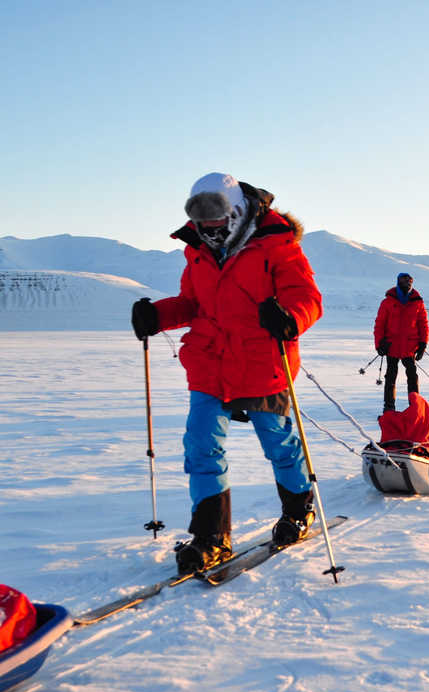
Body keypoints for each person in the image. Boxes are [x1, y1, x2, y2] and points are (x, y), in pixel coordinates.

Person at [130, 172, 323, 575]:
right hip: (211, 364)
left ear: (236, 213)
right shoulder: (197, 250)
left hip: (263, 362)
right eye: (204, 225)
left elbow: (307, 298)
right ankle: (211, 537)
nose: (211, 232)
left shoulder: (277, 246)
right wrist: (157, 316)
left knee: (280, 445)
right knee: (201, 448)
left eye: (217, 223)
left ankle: (299, 511)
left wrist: (290, 318)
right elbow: (192, 303)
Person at [373, 272, 429, 412]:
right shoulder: (388, 302)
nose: (407, 284)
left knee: (412, 376)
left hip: (410, 347)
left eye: (409, 282)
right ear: (398, 282)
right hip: (391, 346)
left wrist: (423, 344)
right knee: (391, 377)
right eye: (404, 281)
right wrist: (379, 344)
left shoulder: (418, 302)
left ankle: (415, 408)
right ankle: (389, 408)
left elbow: (423, 324)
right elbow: (379, 324)